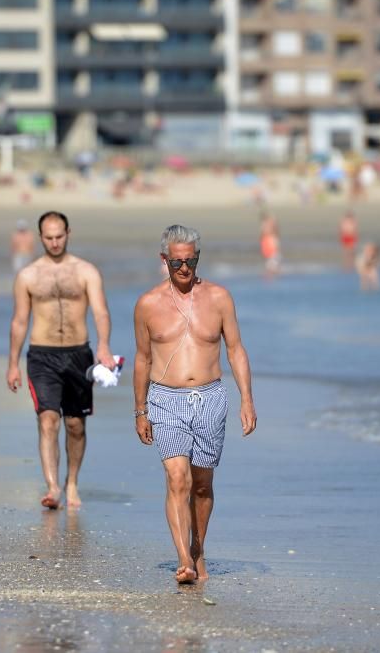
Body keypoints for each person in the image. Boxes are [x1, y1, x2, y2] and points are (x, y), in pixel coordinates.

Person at [133, 225, 257, 585]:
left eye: (190, 260)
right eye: (177, 262)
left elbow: (235, 349)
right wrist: (139, 409)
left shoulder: (219, 298)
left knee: (201, 486)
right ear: (164, 260)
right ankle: (184, 560)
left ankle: (198, 547)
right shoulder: (148, 304)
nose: (184, 268)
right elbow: (142, 359)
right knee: (177, 478)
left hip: (210, 398)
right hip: (165, 399)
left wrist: (247, 399)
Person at [6, 211, 115, 510]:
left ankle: (72, 482)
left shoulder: (86, 271)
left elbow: (101, 311)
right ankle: (53, 486)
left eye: (59, 236)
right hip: (42, 356)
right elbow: (19, 322)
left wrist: (104, 346)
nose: (54, 242)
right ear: (40, 237)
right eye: (48, 237)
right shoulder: (27, 275)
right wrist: (12, 363)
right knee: (48, 420)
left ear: (68, 233)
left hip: (79, 355)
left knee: (76, 425)